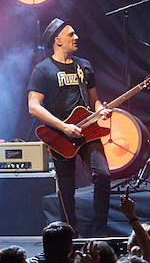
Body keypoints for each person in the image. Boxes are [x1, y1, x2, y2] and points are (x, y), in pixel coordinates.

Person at [28, 18, 112, 235]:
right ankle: (69, 235)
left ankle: (100, 231)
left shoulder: (85, 66)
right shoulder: (43, 69)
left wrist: (100, 109)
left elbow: (94, 100)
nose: (77, 38)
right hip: (60, 135)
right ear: (58, 40)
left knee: (103, 174)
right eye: (71, 34)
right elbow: (33, 106)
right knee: (66, 187)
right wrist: (63, 126)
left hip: (88, 131)